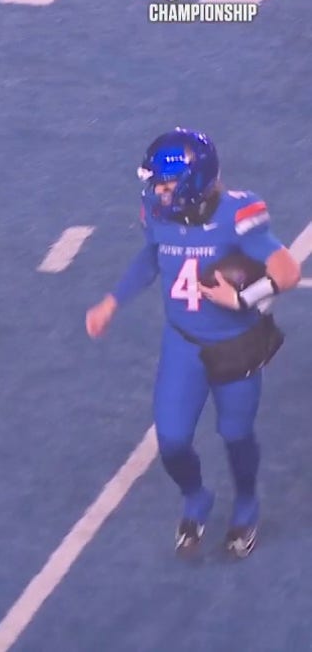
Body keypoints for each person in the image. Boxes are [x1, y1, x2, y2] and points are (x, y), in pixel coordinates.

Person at [85, 128, 301, 558]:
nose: (159, 193)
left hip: (235, 343)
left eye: (166, 185)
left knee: (236, 434)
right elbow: (152, 254)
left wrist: (241, 298)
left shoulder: (239, 214)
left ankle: (245, 505)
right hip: (183, 343)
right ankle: (196, 496)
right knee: (172, 440)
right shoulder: (156, 211)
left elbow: (287, 270)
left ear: (192, 182)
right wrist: (113, 301)